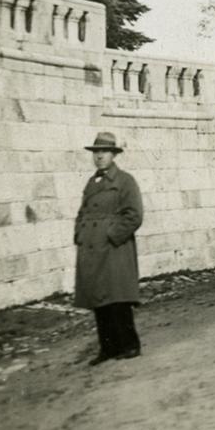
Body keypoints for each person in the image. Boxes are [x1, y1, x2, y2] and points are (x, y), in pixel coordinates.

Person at [74, 131, 144, 366]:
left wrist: (111, 235)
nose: (99, 156)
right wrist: (79, 234)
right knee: (99, 300)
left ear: (114, 154)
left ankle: (129, 345)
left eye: (104, 152)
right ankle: (108, 348)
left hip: (115, 249)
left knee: (117, 298)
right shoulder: (92, 182)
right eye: (96, 152)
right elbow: (82, 212)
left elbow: (134, 215)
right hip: (91, 250)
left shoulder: (125, 181)